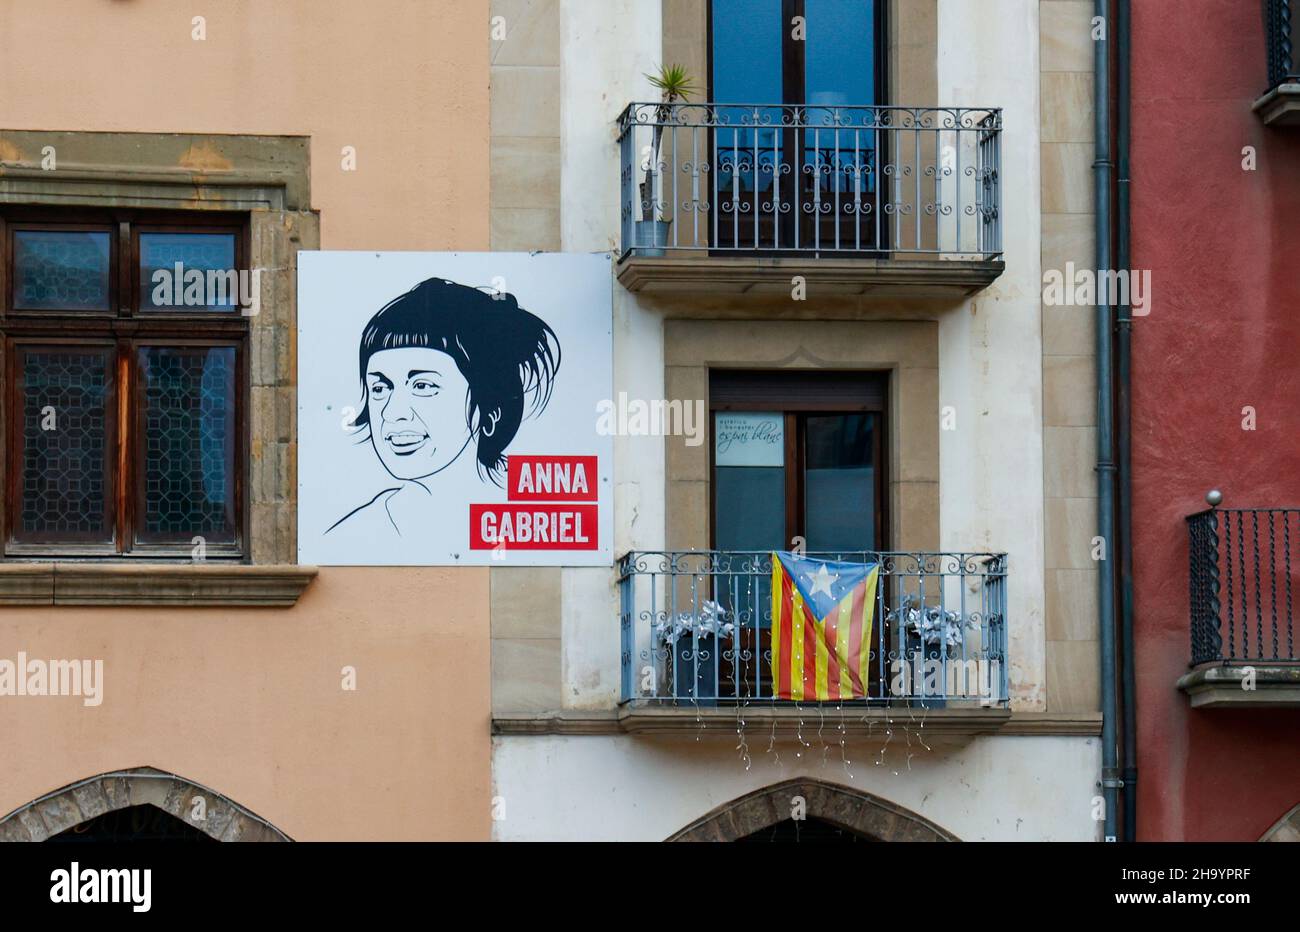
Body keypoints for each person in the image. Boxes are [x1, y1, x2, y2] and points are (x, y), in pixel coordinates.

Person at [327, 277, 560, 539]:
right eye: (380, 389)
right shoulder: (355, 534)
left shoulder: (529, 523)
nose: (392, 412)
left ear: (491, 408)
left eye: (423, 386)